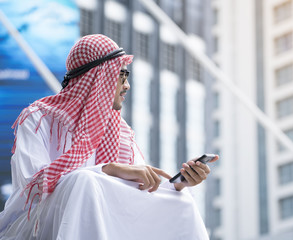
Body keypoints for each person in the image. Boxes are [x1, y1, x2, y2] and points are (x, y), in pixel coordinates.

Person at [0, 34, 218, 240]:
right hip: (35, 223)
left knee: (182, 200)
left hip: (104, 219)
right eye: (121, 76)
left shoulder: (119, 130)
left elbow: (138, 190)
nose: (127, 85)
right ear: (98, 77)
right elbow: (34, 188)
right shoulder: (38, 118)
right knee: (84, 181)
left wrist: (178, 185)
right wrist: (107, 170)